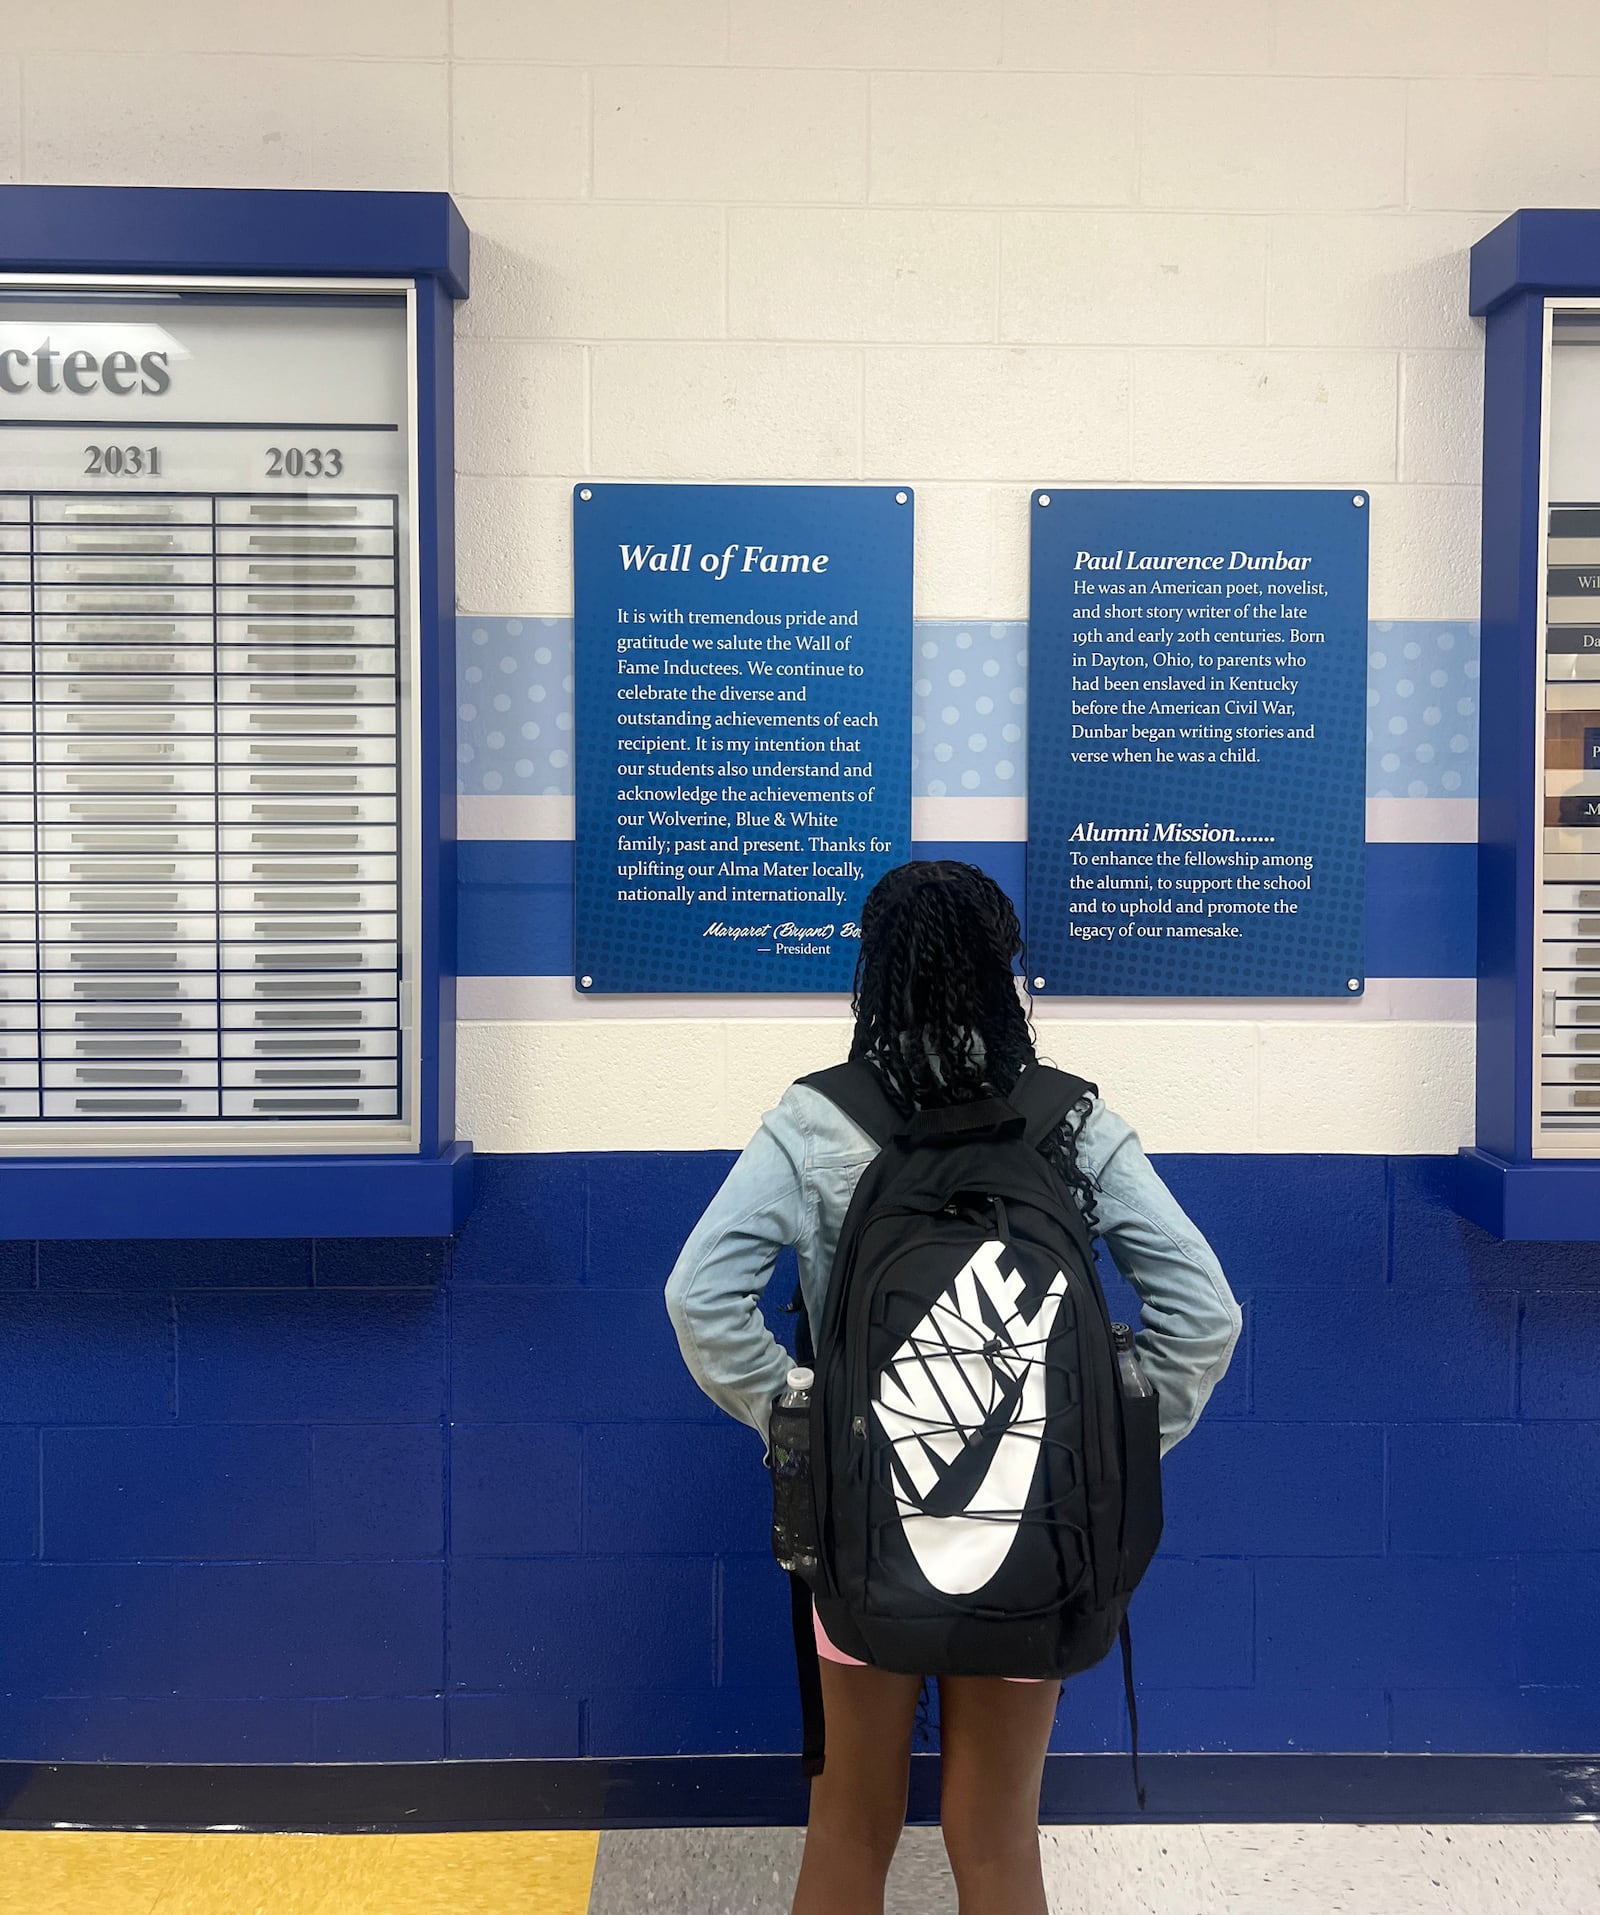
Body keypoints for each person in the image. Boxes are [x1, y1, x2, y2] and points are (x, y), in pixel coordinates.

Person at [665, 860, 1242, 1915]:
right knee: (995, 1836)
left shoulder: (816, 1119)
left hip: (859, 1527)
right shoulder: (1068, 1120)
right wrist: (1099, 1449)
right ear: (1005, 970)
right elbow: (1206, 1314)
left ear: (871, 973)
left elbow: (698, 1297)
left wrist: (804, 1427)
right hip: (1039, 1520)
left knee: (848, 1825)